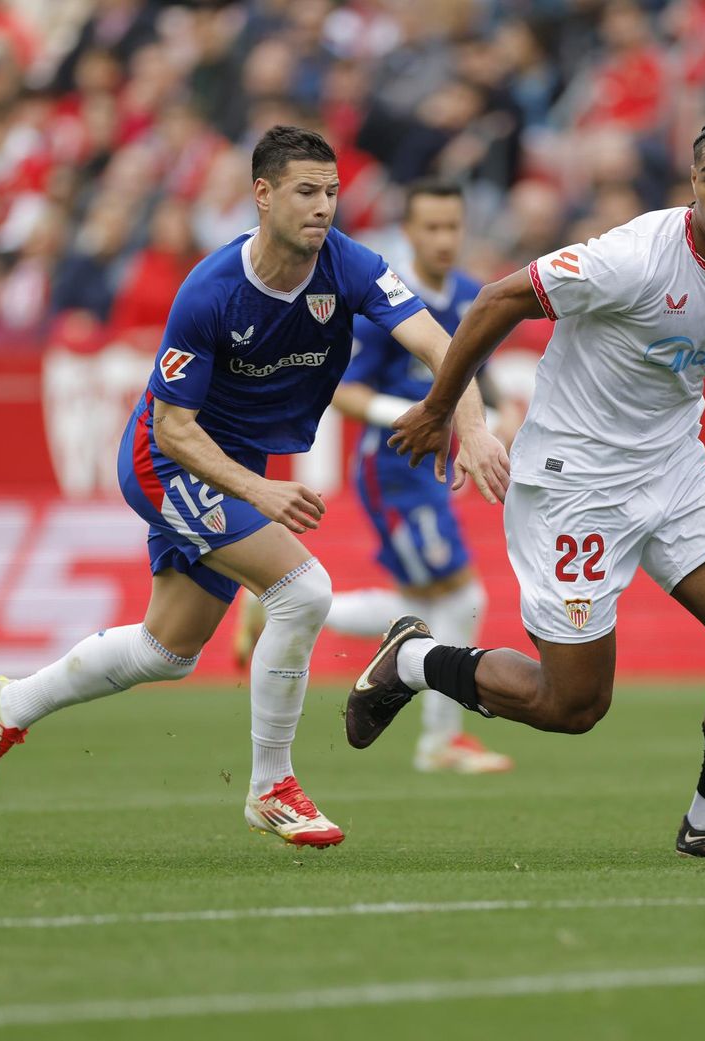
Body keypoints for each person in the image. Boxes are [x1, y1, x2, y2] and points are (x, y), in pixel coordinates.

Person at [350, 115, 705, 858]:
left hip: (673, 469)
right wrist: (442, 407)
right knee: (572, 703)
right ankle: (413, 659)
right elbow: (496, 300)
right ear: (692, 184)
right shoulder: (632, 257)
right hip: (575, 482)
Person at [0, 125, 508, 848]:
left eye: (332, 193)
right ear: (262, 194)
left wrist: (473, 426)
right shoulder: (210, 291)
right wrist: (261, 490)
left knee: (168, 650)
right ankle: (270, 786)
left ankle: (11, 702)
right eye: (306, 191)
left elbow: (442, 344)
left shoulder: (352, 265)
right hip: (170, 460)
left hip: (235, 461)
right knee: (302, 589)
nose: (323, 207)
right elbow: (175, 428)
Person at [234, 178, 515, 774]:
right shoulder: (390, 299)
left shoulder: (470, 296)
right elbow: (344, 389)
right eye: (430, 228)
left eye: (452, 227)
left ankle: (273, 600)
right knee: (463, 594)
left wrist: (497, 416)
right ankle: (440, 741)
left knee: (420, 603)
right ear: (408, 233)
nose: (443, 239)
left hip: (433, 467)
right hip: (391, 466)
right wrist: (414, 415)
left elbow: (477, 380)